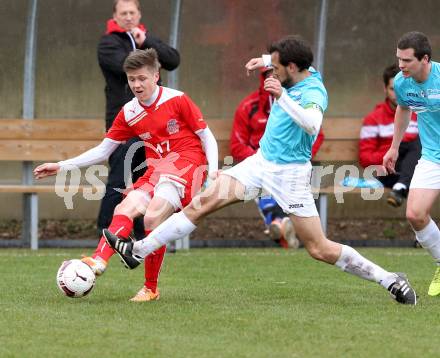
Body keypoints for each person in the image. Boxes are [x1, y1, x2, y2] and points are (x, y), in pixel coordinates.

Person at [105, 35, 417, 305]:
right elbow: (286, 60)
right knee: (202, 203)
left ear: (292, 69)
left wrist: (282, 98)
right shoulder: (301, 68)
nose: (272, 70)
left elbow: (311, 124)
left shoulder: (312, 92)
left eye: (277, 67)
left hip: (290, 174)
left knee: (318, 248)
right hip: (259, 163)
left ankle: (389, 279)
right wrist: (263, 59)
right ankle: (139, 250)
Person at [34, 49, 217, 302]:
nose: (137, 84)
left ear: (156, 75)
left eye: (142, 78)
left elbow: (206, 136)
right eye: (132, 79)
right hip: (157, 169)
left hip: (186, 165)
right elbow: (104, 149)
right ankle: (99, 260)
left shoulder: (177, 100)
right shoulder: (130, 112)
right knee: (125, 207)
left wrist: (214, 172)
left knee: (152, 219)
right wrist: (62, 166)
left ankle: (150, 287)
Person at [97, 0, 180, 238]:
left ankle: (144, 237)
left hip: (152, 123)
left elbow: (173, 59)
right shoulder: (108, 43)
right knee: (120, 177)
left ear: (139, 14)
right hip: (124, 121)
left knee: (147, 178)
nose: (128, 17)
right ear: (115, 16)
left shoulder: (146, 38)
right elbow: (129, 67)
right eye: (123, 13)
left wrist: (147, 42)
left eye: (132, 12)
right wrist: (151, 59)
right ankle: (106, 233)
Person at [230, 68, 324, 247]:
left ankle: (278, 224)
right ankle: (282, 225)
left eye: (277, 72)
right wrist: (263, 160)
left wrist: (297, 154)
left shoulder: (300, 99)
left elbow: (316, 134)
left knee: (282, 184)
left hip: (293, 166)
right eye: (269, 74)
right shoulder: (248, 107)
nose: (274, 77)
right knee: (264, 179)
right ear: (262, 79)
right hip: (260, 166)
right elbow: (237, 145)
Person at [383, 31, 440, 297]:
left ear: (425, 59)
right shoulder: (402, 82)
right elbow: (403, 109)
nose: (401, 66)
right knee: (414, 214)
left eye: (407, 60)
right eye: (399, 59)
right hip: (432, 156)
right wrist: (394, 146)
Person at [359, 64, 421, 207]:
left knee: (419, 143)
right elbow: (365, 159)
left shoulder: (419, 114)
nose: (398, 93)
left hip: (418, 171)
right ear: (385, 89)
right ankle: (401, 186)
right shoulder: (373, 119)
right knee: (414, 144)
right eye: (393, 89)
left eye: (402, 88)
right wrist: (394, 150)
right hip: (388, 172)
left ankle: (400, 187)